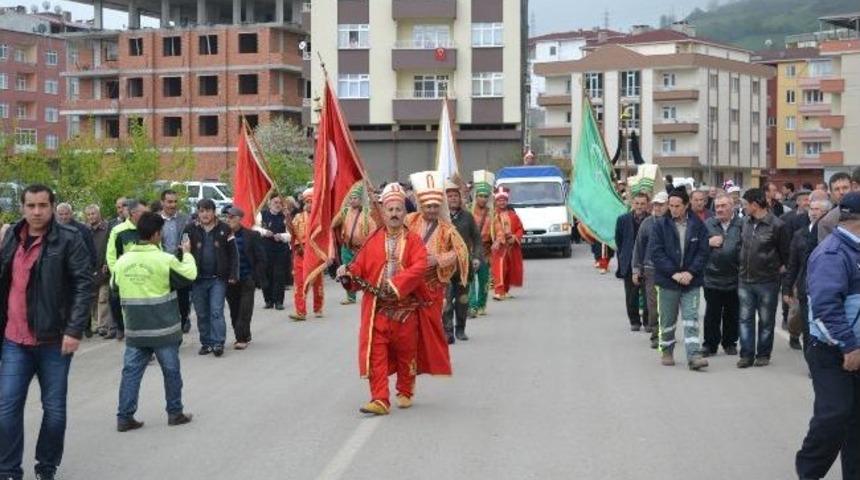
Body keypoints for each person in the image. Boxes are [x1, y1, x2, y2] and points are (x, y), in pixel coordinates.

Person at [0, 184, 93, 480]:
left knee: (54, 412)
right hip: (14, 340)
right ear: (23, 207)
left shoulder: (69, 238)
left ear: (52, 207)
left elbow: (83, 284)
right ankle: (9, 470)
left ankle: (46, 466)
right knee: (6, 410)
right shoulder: (12, 237)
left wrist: (74, 329)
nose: (37, 212)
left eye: (42, 205)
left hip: (54, 341)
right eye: (31, 206)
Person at [336, 183, 451, 416]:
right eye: (390, 210)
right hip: (378, 310)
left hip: (406, 310)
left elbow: (419, 266)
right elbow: (358, 267)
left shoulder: (414, 241)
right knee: (376, 354)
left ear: (404, 212)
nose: (395, 214)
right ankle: (379, 399)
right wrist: (347, 274)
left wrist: (396, 285)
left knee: (405, 354)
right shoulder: (373, 240)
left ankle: (405, 389)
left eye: (399, 209)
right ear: (384, 212)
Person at [795, 191, 860, 479]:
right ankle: (809, 471)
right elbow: (825, 307)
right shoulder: (833, 253)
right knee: (834, 416)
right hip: (832, 351)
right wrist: (849, 346)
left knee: (856, 422)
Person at [113, 212, 195, 432]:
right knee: (171, 370)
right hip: (163, 329)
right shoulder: (164, 259)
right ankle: (175, 413)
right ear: (157, 234)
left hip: (135, 329)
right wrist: (186, 254)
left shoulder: (123, 261)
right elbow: (189, 275)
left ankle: (124, 416)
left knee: (131, 372)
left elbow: (114, 286)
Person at [405, 171, 470, 343]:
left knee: (441, 310)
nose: (432, 210)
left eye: (435, 206)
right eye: (428, 206)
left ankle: (444, 337)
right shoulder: (409, 221)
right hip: (411, 279)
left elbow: (460, 252)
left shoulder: (446, 228)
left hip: (436, 280)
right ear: (421, 205)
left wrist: (439, 259)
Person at [649, 187, 709, 371]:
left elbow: (703, 251)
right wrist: (673, 273)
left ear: (686, 205)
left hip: (691, 281)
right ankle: (667, 351)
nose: (673, 209)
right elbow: (656, 253)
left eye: (677, 206)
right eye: (671, 205)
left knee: (691, 319)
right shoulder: (660, 225)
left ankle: (694, 356)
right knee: (667, 320)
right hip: (668, 282)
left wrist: (691, 272)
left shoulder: (697, 225)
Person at [737, 188, 791, 368]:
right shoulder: (745, 222)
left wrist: (776, 272)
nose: (743, 208)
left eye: (745, 205)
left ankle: (763, 354)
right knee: (745, 319)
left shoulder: (777, 225)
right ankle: (746, 355)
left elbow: (785, 255)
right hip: (745, 280)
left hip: (768, 282)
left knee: (766, 320)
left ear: (754, 205)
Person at [183, 199, 237, 357]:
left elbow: (234, 254)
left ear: (214, 212)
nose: (204, 214)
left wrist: (233, 274)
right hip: (197, 279)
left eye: (208, 210)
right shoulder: (189, 229)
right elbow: (183, 251)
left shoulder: (225, 229)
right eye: (201, 211)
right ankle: (206, 343)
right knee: (201, 313)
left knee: (216, 311)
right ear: (198, 213)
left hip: (218, 279)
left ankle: (218, 342)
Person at [783, 191, 830, 351]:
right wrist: (787, 288)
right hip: (805, 286)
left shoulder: (832, 234)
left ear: (827, 214)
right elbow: (793, 264)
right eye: (812, 209)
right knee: (808, 327)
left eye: (818, 210)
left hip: (826, 287)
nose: (814, 212)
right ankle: (811, 362)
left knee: (822, 326)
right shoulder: (800, 234)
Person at [702, 193, 743, 357]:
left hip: (735, 277)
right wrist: (707, 242)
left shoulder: (742, 224)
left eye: (723, 206)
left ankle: (729, 342)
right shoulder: (707, 224)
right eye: (717, 206)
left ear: (732, 207)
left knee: (732, 313)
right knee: (712, 313)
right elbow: (695, 245)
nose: (719, 209)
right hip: (712, 277)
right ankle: (710, 344)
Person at [442, 180, 482, 343]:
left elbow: (477, 240)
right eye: (449, 196)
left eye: (455, 196)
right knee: (446, 300)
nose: (453, 199)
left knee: (462, 300)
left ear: (460, 198)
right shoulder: (441, 217)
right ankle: (448, 330)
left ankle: (461, 329)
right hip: (444, 267)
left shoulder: (467, 217)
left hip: (464, 267)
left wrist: (477, 258)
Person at [106, 199, 148, 340]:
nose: (146, 215)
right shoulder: (119, 231)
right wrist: (117, 276)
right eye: (143, 213)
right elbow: (111, 256)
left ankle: (142, 341)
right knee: (121, 306)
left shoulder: (147, 230)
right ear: (133, 213)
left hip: (146, 278)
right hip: (126, 279)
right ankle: (122, 329)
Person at [225, 207, 266, 350]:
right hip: (230, 280)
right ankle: (244, 334)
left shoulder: (251, 235)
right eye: (227, 217)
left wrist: (255, 277)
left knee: (245, 309)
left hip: (247, 278)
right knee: (234, 310)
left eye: (231, 217)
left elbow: (261, 258)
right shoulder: (223, 235)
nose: (228, 220)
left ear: (239, 219)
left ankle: (240, 338)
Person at [632, 191, 668, 349]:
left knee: (668, 305)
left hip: (670, 271)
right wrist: (636, 270)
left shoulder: (674, 223)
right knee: (653, 306)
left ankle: (667, 333)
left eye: (661, 204)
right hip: (650, 270)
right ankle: (656, 334)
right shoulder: (647, 223)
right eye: (655, 204)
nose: (658, 207)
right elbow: (638, 248)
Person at [332, 184, 376, 305]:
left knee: (366, 272)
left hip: (361, 249)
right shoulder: (345, 211)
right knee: (347, 271)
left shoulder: (367, 213)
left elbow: (373, 232)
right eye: (351, 198)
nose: (352, 200)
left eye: (355, 198)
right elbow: (333, 223)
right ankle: (350, 297)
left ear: (361, 200)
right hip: (346, 248)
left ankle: (371, 293)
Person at [615, 192, 649, 331]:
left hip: (647, 261)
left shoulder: (652, 219)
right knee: (631, 294)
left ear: (647, 205)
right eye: (637, 203)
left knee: (648, 295)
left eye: (642, 203)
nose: (639, 206)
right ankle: (634, 321)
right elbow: (619, 240)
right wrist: (624, 255)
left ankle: (648, 322)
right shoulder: (622, 220)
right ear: (632, 204)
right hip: (629, 261)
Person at [289, 189, 324, 321]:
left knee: (317, 283)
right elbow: (292, 233)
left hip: (315, 255)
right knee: (299, 283)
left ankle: (318, 307)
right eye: (307, 202)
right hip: (301, 253)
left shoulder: (320, 218)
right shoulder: (298, 217)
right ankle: (300, 311)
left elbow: (323, 238)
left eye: (312, 202)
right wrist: (287, 219)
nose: (309, 205)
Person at [160, 189, 192, 334]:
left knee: (183, 299)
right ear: (162, 203)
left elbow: (189, 237)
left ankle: (184, 318)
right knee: (164, 299)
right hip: (161, 266)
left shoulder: (185, 219)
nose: (173, 205)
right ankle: (168, 327)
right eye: (169, 202)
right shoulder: (156, 220)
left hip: (179, 265)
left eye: (175, 201)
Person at [468, 170, 495, 318]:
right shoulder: (468, 212)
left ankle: (481, 305)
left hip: (486, 251)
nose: (483, 199)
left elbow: (497, 231)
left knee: (484, 281)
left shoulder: (492, 213)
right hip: (471, 250)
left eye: (485, 196)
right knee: (471, 280)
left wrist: (497, 241)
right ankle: (471, 306)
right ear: (475, 196)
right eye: (480, 196)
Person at [257, 194, 290, 310]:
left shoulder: (285, 217)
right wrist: (264, 232)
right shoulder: (262, 215)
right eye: (275, 202)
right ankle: (268, 300)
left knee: (279, 275)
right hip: (265, 249)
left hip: (280, 250)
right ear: (269, 203)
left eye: (280, 203)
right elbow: (254, 227)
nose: (278, 205)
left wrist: (281, 236)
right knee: (266, 275)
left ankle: (279, 301)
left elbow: (291, 234)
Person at [490, 187, 524, 300]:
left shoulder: (513, 215)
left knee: (509, 269)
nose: (502, 202)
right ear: (496, 201)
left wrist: (515, 237)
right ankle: (498, 291)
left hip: (511, 247)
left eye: (504, 200)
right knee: (499, 268)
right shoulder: (492, 215)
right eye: (499, 200)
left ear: (507, 201)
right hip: (498, 247)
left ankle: (505, 290)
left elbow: (520, 229)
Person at [85, 204, 113, 338]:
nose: (91, 216)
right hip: (89, 268)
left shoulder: (108, 228)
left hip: (104, 267)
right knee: (93, 297)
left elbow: (111, 247)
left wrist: (108, 262)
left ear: (99, 214)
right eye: (89, 214)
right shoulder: (85, 230)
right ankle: (96, 324)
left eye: (93, 213)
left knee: (103, 297)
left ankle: (103, 325)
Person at [818, 169, 858, 242]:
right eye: (837, 189)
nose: (841, 192)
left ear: (853, 188)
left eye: (845, 188)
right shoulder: (827, 222)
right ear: (831, 193)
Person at [55, 202, 97, 271]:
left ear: (71, 214)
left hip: (79, 270)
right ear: (56, 215)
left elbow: (91, 252)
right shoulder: (52, 230)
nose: (64, 217)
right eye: (61, 214)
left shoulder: (83, 229)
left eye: (66, 214)